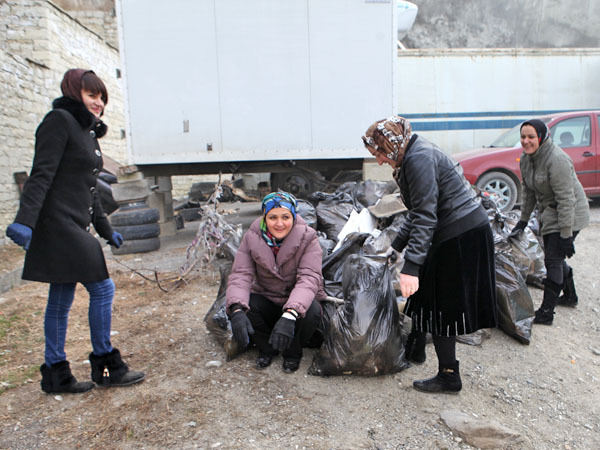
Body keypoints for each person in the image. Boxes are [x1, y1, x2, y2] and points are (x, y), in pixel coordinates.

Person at [5, 69, 145, 394]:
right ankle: (107, 365)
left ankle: (56, 375)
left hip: (73, 222)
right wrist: (25, 220)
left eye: (102, 98)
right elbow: (41, 174)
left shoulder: (87, 132)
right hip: (56, 224)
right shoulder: (59, 121)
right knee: (103, 288)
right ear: (73, 93)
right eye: (91, 95)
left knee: (61, 295)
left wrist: (106, 229)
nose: (99, 103)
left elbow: (90, 190)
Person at [362, 116, 497, 394]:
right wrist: (397, 245)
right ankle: (417, 348)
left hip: (460, 234)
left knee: (442, 304)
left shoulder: (417, 158)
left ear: (391, 143)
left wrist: (411, 266)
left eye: (379, 152)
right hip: (452, 230)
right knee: (427, 294)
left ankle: (449, 376)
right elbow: (419, 210)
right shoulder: (412, 152)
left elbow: (425, 215)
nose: (379, 160)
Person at [226, 192, 325, 373]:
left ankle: (292, 352)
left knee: (312, 310)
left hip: (295, 302)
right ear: (265, 217)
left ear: (293, 216)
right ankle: (267, 348)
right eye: (273, 217)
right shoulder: (251, 237)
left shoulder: (309, 237)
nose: (279, 224)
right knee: (248, 305)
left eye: (285, 217)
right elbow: (241, 274)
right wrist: (236, 309)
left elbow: (309, 278)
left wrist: (290, 313)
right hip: (268, 299)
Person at [509, 119, 589, 324]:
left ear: (542, 137)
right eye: (523, 137)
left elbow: (567, 200)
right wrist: (522, 221)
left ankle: (546, 313)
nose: (526, 141)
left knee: (553, 259)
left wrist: (566, 235)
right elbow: (528, 192)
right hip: (549, 213)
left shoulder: (557, 160)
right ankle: (570, 296)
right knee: (556, 257)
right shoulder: (527, 159)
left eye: (531, 137)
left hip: (570, 213)